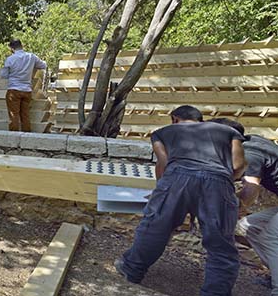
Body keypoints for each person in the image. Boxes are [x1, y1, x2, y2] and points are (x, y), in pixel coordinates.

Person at [115, 105, 246, 296]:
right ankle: (216, 292)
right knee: (221, 242)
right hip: (218, 183)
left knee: (155, 227)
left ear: (175, 118)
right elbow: (239, 165)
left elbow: (164, 163)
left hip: (176, 180)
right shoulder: (228, 131)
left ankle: (131, 269)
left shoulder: (163, 133)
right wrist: (221, 183)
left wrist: (162, 193)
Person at [212, 118, 278, 294]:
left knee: (271, 236)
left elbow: (251, 189)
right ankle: (275, 273)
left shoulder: (250, 154)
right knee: (250, 226)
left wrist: (233, 207)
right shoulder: (252, 140)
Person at [0, 39, 47, 132]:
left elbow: (3, 75)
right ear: (22, 46)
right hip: (27, 91)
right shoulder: (31, 57)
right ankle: (27, 136)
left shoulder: (10, 59)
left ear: (12, 48)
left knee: (14, 115)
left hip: (13, 91)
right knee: (25, 115)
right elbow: (43, 65)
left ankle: (14, 137)